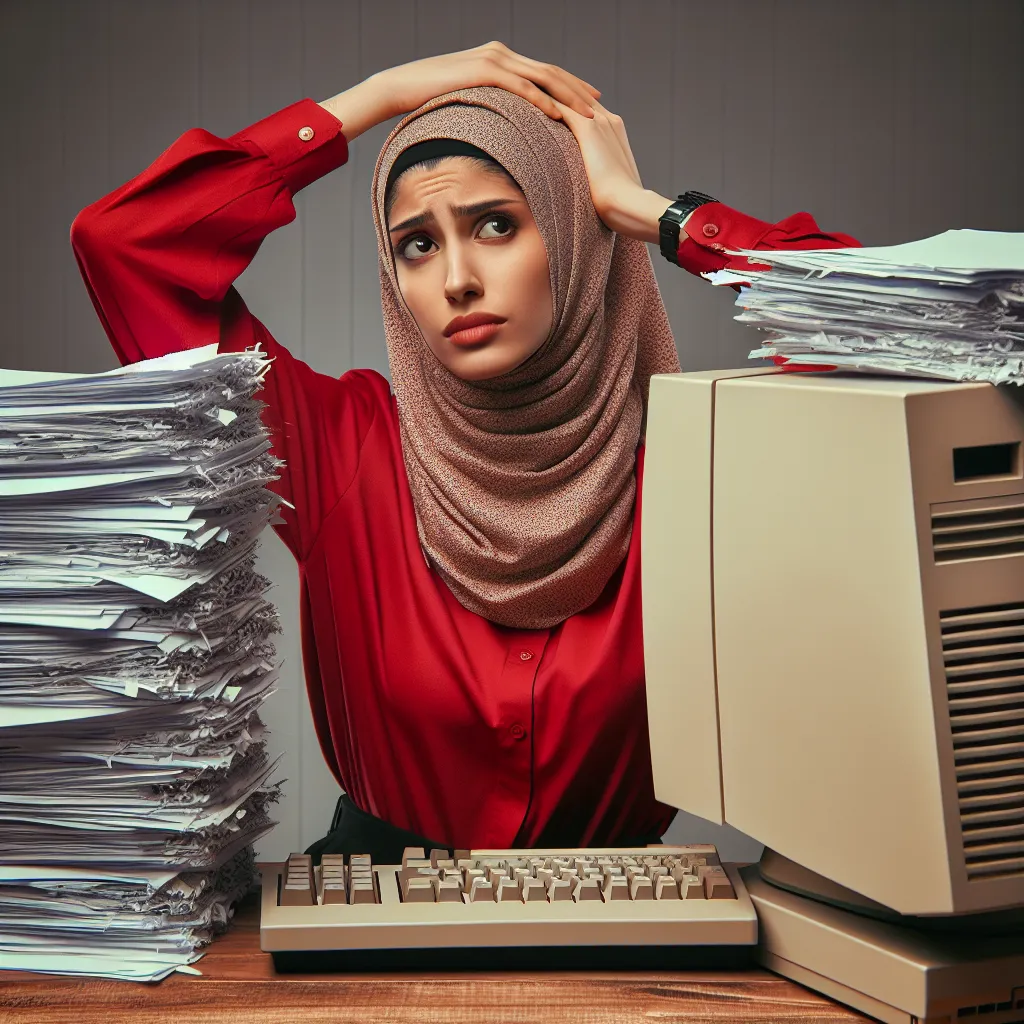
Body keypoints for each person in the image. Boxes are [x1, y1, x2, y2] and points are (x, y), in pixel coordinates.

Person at [71, 43, 858, 862]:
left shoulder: (693, 478)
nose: (456, 281)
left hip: (624, 948)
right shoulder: (340, 453)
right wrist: (373, 98)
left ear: (575, 230)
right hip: (371, 933)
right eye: (416, 243)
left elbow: (922, 339)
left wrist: (658, 214)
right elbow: (125, 244)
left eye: (496, 225)